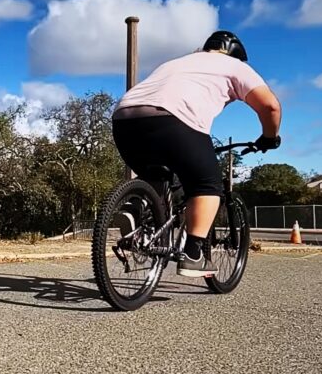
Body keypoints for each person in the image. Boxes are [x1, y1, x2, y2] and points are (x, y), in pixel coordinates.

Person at [112, 30, 281, 277]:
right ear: (235, 55)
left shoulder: (178, 62)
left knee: (155, 175)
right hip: (173, 117)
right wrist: (269, 137)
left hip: (125, 119)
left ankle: (134, 209)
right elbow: (270, 106)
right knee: (207, 185)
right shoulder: (234, 66)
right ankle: (193, 254)